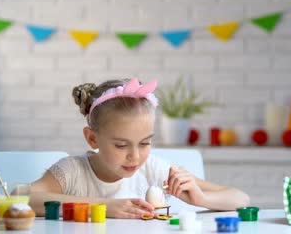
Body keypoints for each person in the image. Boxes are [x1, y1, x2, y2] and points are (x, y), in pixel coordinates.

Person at [29, 78, 250, 219]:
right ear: (93, 139)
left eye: (145, 143)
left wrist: (201, 199)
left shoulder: (154, 170)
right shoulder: (73, 171)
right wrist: (105, 207)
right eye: (121, 145)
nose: (135, 156)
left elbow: (241, 199)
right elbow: (23, 198)